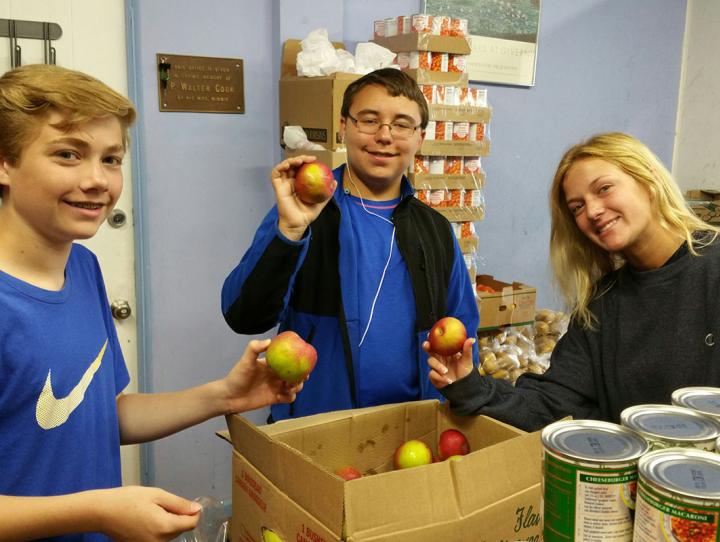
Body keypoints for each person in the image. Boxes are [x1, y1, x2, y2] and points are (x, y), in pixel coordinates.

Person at [0, 64, 302, 542]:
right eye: (67, 155)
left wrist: (226, 395)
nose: (97, 180)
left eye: (111, 159)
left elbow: (103, 415)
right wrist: (99, 510)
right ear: (5, 163)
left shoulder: (83, 268)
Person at [222, 67, 479, 421]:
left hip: (413, 427)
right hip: (316, 425)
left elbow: (462, 330)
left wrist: (464, 405)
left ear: (419, 138)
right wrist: (289, 233)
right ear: (344, 126)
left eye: (402, 124)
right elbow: (244, 314)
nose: (384, 136)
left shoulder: (434, 229)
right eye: (369, 120)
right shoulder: (307, 213)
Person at [426, 132, 720, 432]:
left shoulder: (713, 269)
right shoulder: (602, 305)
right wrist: (469, 386)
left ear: (649, 180)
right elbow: (555, 405)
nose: (592, 211)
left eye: (604, 189)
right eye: (577, 207)